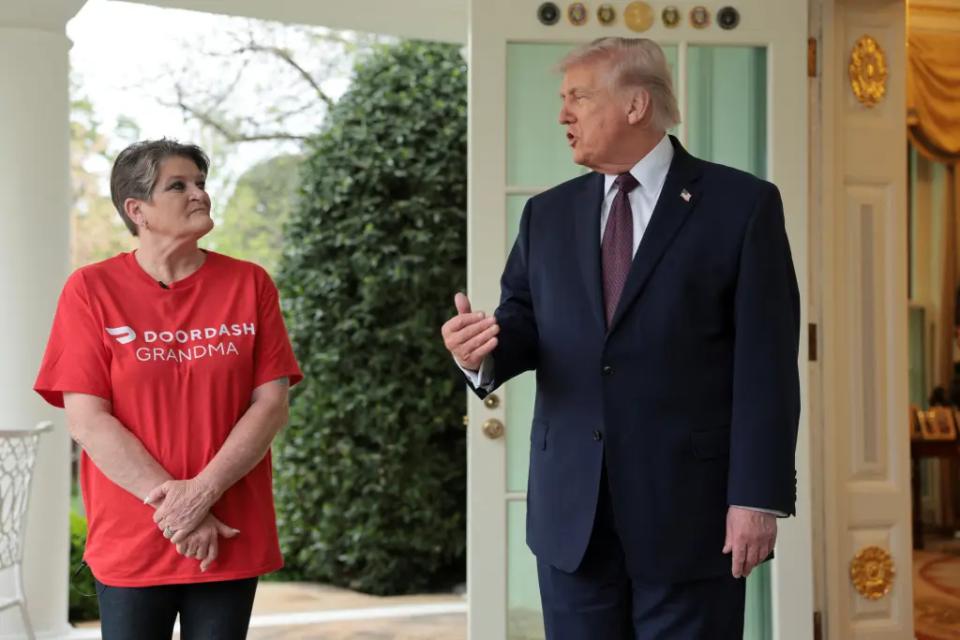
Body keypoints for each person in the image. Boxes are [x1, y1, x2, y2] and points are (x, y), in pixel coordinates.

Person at [441, 38, 800, 639]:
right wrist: (478, 351)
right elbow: (523, 322)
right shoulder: (546, 215)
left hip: (692, 519)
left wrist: (756, 499)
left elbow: (767, 367)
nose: (562, 115)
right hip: (571, 522)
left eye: (578, 97)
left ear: (636, 105)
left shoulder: (742, 206)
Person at [35, 140, 303, 639]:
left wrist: (203, 492)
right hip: (133, 538)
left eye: (200, 182)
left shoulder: (249, 284)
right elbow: (87, 419)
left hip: (228, 531)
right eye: (178, 186)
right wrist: (181, 511)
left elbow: (271, 404)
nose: (199, 193)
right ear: (137, 210)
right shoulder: (90, 290)